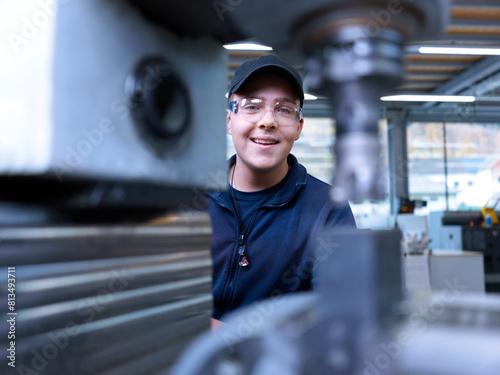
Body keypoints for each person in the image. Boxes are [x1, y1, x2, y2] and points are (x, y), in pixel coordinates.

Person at [206, 54, 356, 329]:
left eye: (284, 109)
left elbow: (339, 318)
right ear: (229, 120)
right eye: (252, 106)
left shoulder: (328, 209)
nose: (267, 121)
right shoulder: (193, 198)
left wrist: (216, 334)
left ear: (298, 127)